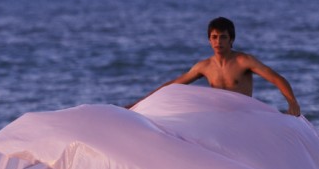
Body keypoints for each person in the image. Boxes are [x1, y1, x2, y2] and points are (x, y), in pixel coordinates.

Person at [128, 17, 301, 116]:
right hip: (218, 117)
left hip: (245, 116)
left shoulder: (244, 61)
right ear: (209, 40)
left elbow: (276, 78)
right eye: (214, 37)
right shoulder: (204, 66)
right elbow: (173, 85)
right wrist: (140, 103)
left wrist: (292, 103)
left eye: (223, 37)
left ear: (231, 39)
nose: (218, 41)